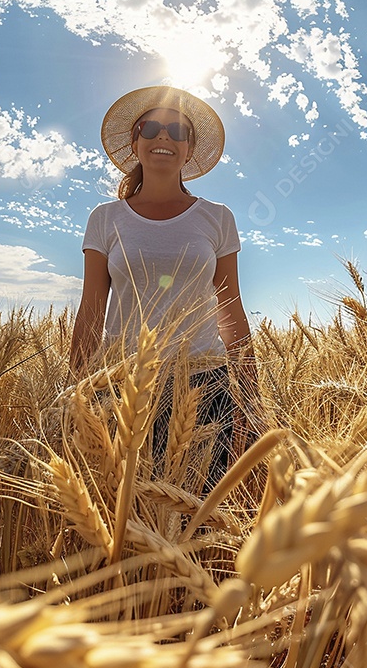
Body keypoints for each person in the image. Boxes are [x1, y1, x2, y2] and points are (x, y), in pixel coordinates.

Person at [69, 84, 258, 483]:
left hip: (204, 387)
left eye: (177, 132)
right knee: (124, 511)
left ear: (189, 149)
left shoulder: (217, 218)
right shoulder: (105, 219)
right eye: (152, 128)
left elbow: (231, 309)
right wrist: (76, 391)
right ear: (135, 142)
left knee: (200, 514)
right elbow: (91, 310)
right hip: (120, 382)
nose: (163, 137)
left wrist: (250, 396)